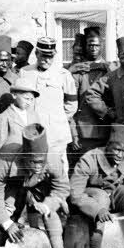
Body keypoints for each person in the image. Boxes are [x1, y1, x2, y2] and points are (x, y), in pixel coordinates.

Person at [0, 124, 79, 248]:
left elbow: (62, 187)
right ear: (24, 157)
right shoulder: (7, 160)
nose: (38, 166)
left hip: (38, 184)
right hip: (13, 184)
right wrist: (7, 223)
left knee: (50, 213)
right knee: (6, 212)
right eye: (33, 161)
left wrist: (47, 205)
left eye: (41, 161)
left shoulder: (53, 159)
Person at [20, 36, 77, 175]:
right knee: (35, 167)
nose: (47, 60)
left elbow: (71, 104)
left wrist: (58, 118)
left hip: (56, 131)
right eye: (44, 56)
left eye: (50, 57)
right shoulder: (25, 72)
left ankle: (61, 196)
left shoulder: (63, 74)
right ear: (36, 54)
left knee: (59, 167)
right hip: (33, 130)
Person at [69, 27, 113, 166]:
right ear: (85, 46)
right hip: (84, 133)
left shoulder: (111, 69)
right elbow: (70, 107)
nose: (93, 48)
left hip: (107, 131)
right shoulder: (78, 71)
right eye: (90, 45)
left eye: (97, 45)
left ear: (102, 46)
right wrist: (74, 134)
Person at [85, 36, 124, 132]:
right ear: (118, 56)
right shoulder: (111, 76)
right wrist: (107, 111)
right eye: (123, 58)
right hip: (119, 129)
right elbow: (91, 94)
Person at [0, 72, 41, 162]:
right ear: (14, 95)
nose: (29, 102)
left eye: (31, 99)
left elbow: (39, 139)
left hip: (32, 162)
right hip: (12, 161)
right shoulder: (4, 117)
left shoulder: (34, 115)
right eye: (26, 98)